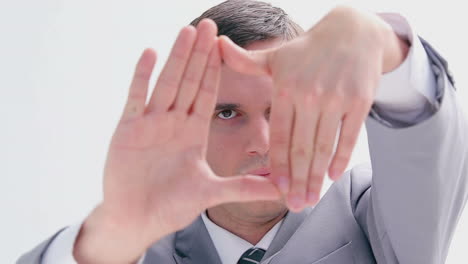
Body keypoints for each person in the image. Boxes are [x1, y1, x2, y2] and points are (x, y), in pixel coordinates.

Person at [18, 0, 467, 263]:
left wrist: (385, 48)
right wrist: (114, 230)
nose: (263, 143)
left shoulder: (370, 214)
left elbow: (425, 157)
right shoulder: (130, 247)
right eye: (228, 113)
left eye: (283, 108)